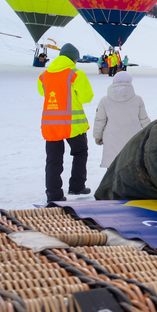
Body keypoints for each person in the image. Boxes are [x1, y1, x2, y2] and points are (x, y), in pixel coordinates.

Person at [39, 42, 94, 202]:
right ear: (73, 59)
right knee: (80, 152)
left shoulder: (44, 75)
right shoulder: (76, 74)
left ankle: (53, 194)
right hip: (73, 124)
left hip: (50, 125)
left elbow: (42, 91)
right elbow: (86, 97)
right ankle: (77, 186)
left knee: (53, 159)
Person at [91, 72, 150, 168]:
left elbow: (100, 120)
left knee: (113, 165)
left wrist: (97, 136)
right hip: (133, 136)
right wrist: (149, 134)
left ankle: (112, 182)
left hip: (111, 137)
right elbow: (144, 119)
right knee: (131, 164)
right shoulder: (138, 99)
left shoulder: (105, 100)